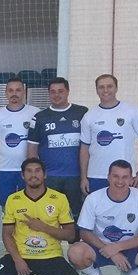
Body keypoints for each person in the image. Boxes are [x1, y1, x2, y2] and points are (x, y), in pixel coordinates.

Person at [0, 158, 88, 275]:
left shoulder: (59, 199)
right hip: (21, 255)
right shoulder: (13, 200)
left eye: (37, 171)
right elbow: (6, 235)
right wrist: (18, 260)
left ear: (44, 175)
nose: (33, 175)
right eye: (29, 171)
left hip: (50, 256)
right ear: (22, 175)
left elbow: (70, 235)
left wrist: (43, 227)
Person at [27, 77, 88, 220]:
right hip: (50, 177)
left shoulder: (82, 112)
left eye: (60, 91)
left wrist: (85, 176)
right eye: (53, 92)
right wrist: (36, 175)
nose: (56, 95)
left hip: (75, 177)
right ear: (49, 93)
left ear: (68, 91)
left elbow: (89, 146)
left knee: (75, 216)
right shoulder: (39, 117)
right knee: (50, 216)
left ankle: (75, 236)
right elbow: (32, 150)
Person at [79, 74, 138, 194]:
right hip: (96, 176)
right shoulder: (89, 116)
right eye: (101, 87)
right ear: (96, 90)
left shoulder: (131, 111)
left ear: (116, 88)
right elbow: (84, 148)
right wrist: (83, 178)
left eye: (109, 86)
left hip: (124, 176)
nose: (105, 90)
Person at [0, 77, 40, 210]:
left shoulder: (35, 112)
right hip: (5, 169)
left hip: (29, 169)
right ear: (6, 93)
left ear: (24, 92)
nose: (14, 94)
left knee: (30, 204)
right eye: (10, 90)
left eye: (18, 90)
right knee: (6, 206)